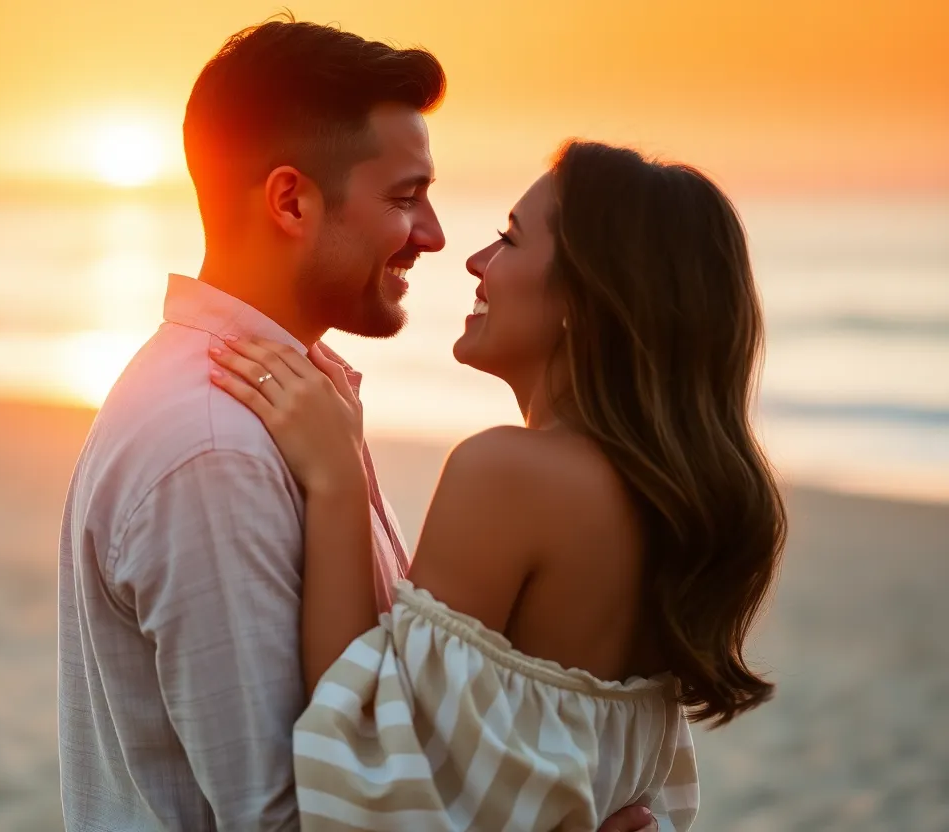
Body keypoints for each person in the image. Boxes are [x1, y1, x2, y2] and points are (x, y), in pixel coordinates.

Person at [58, 16, 660, 832]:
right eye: (405, 197)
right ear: (292, 200)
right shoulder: (213, 446)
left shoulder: (296, 406)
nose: (438, 237)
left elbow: (396, 750)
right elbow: (293, 818)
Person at [210, 139, 788, 830]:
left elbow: (374, 753)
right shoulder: (672, 498)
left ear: (588, 296)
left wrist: (336, 478)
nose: (475, 262)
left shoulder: (510, 472)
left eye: (508, 240)